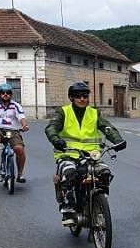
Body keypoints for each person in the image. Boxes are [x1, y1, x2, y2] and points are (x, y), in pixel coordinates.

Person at [45, 82, 126, 225]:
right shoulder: (63, 112)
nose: (82, 99)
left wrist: (118, 140)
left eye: (85, 95)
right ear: (71, 97)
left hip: (91, 155)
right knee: (69, 172)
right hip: (68, 154)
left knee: (104, 171)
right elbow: (51, 128)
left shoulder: (94, 113)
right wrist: (56, 139)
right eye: (77, 96)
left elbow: (107, 128)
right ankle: (68, 209)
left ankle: (100, 204)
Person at [0, 83, 30, 182]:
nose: (6, 94)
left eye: (8, 92)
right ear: (0, 94)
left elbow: (21, 117)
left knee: (19, 149)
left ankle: (20, 174)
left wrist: (25, 125)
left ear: (11, 94)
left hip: (13, 130)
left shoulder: (15, 105)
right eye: (3, 92)